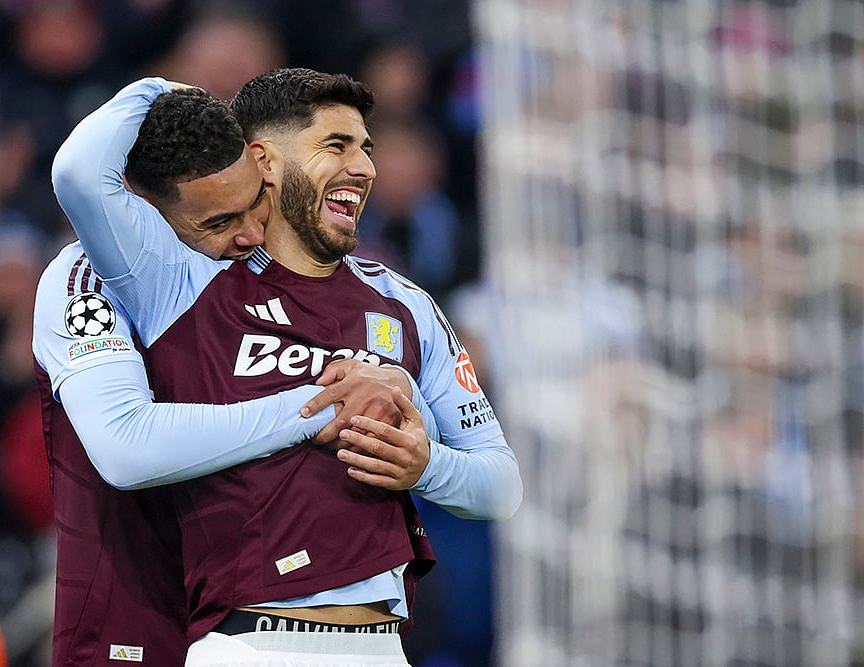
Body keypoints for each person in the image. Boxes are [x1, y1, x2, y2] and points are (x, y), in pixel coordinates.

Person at [51, 71, 522, 665]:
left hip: (386, 647)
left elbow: (502, 485)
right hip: (252, 642)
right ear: (263, 160)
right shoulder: (181, 280)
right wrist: (164, 90)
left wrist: (427, 466)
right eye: (336, 146)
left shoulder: (407, 306)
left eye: (367, 148)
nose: (364, 167)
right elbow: (78, 175)